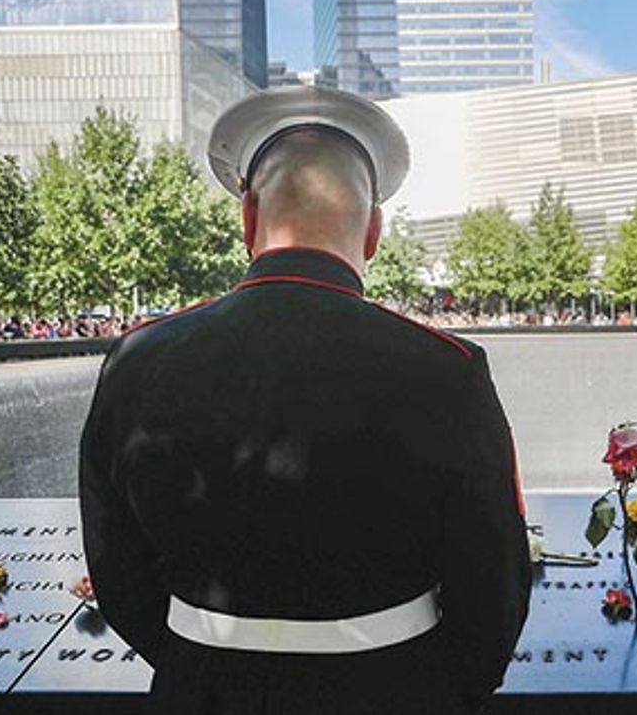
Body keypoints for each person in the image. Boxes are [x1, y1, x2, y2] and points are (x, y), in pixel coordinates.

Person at [79, 87, 531, 714]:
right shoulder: (446, 370)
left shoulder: (137, 360)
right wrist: (437, 689)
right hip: (396, 692)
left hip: (201, 691)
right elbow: (494, 589)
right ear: (373, 230)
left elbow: (117, 571)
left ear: (247, 217)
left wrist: (200, 660)